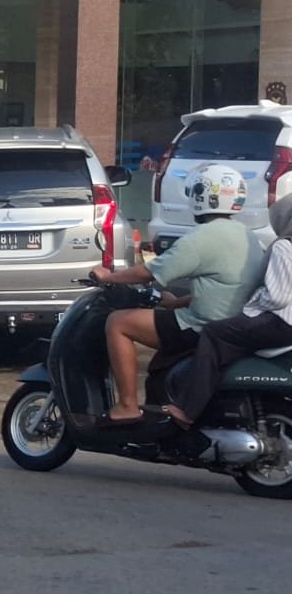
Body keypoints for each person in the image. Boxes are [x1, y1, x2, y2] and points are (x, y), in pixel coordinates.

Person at [91, 163, 265, 424]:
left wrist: (109, 276)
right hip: (232, 326)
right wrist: (176, 302)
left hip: (200, 327)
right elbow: (226, 287)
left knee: (117, 323)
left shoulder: (203, 237)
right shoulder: (248, 236)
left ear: (199, 195)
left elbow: (148, 272)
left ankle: (127, 405)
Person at [165, 195, 292, 435]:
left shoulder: (285, 246)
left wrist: (251, 305)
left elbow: (278, 296)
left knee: (214, 334)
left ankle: (188, 411)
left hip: (281, 321)